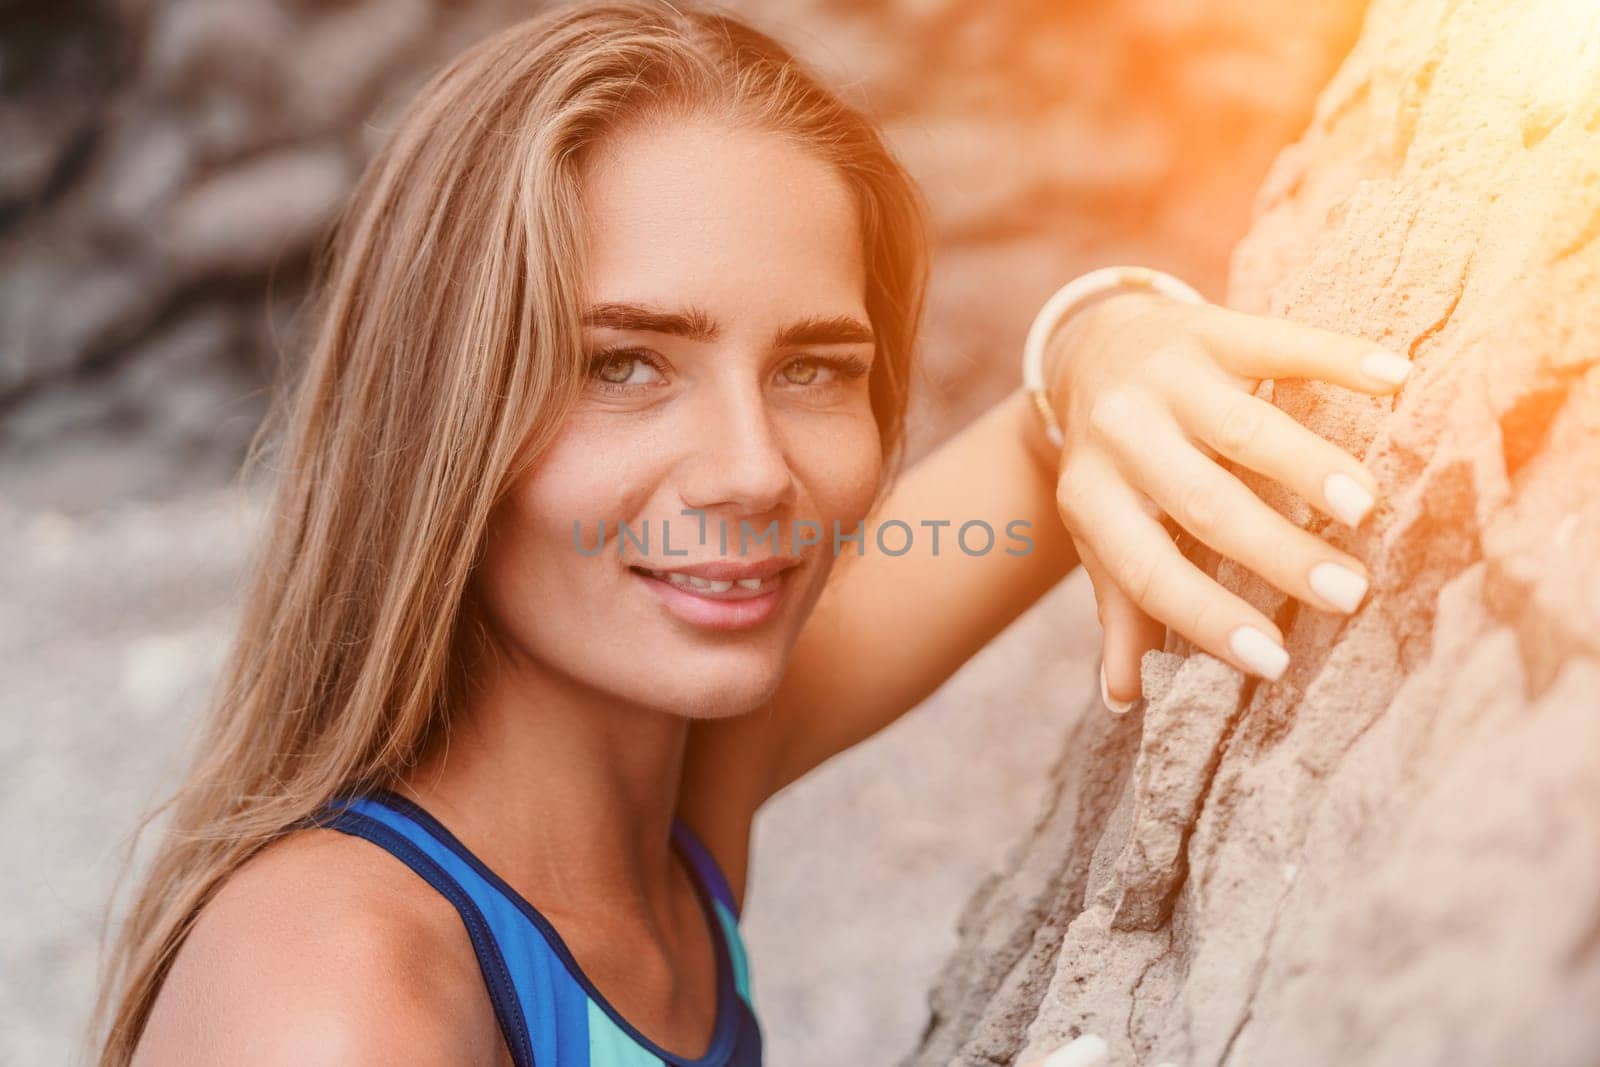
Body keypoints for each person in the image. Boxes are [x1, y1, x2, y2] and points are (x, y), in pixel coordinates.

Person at [91, 3, 1406, 1065]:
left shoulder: (672, 787)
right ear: (441, 421)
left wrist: (1114, 332)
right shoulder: (343, 997)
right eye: (622, 366)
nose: (751, 470)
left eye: (815, 369)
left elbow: (1060, 425)